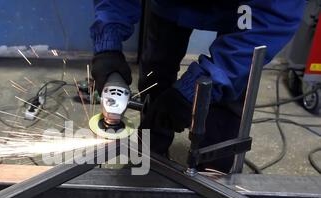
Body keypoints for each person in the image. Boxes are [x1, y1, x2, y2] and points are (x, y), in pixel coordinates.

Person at [90, 0, 305, 172]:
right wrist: (108, 43)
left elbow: (271, 18)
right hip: (168, 5)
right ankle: (150, 152)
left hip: (244, 10)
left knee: (232, 86)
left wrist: (196, 89)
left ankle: (213, 177)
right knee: (155, 77)